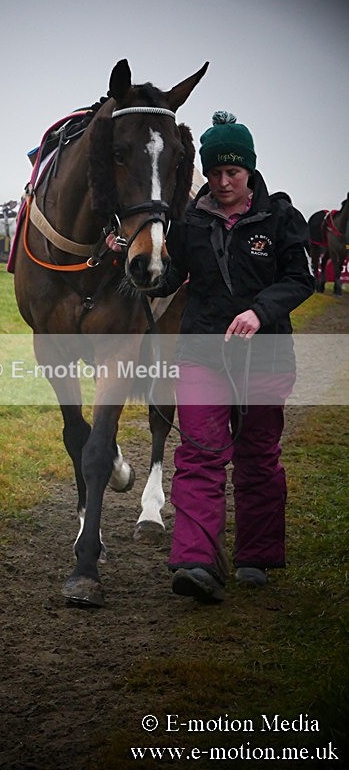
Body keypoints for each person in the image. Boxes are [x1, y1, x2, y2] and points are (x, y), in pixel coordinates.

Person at [109, 110, 315, 603]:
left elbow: (300, 278)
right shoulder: (190, 222)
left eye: (233, 173)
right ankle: (197, 562)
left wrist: (259, 312)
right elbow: (167, 273)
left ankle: (255, 556)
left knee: (258, 458)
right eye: (216, 172)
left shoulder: (281, 219)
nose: (223, 183)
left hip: (264, 359)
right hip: (201, 354)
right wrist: (131, 256)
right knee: (199, 454)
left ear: (250, 170)